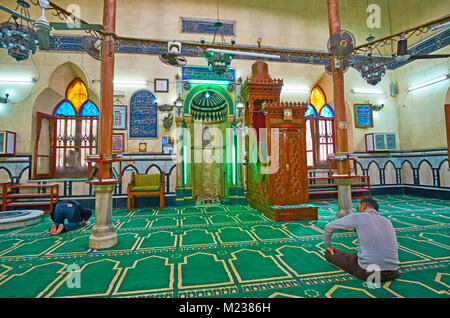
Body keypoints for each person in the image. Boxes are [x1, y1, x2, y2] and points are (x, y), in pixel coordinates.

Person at [323, 198, 399, 282]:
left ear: (364, 206)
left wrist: (328, 246)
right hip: (393, 272)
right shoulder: (387, 221)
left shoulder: (357, 216)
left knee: (329, 254)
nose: (357, 211)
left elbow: (328, 227)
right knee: (361, 254)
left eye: (358, 208)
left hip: (370, 274)